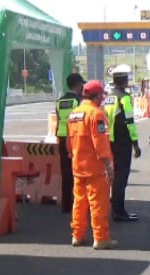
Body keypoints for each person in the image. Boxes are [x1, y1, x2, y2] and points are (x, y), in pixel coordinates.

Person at [67, 80, 117, 250]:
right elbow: (101, 143)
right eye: (101, 95)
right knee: (98, 203)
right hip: (95, 168)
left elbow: (69, 143)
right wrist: (108, 165)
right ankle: (101, 238)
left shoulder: (74, 114)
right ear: (96, 96)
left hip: (77, 166)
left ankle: (77, 235)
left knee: (79, 203)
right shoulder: (96, 114)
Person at [104, 66, 141, 222]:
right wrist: (135, 144)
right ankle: (119, 212)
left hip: (110, 141)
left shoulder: (109, 98)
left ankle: (115, 209)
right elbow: (129, 121)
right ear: (125, 82)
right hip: (122, 142)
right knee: (121, 178)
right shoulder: (125, 98)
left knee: (115, 176)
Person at [56, 73, 85, 213]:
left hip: (62, 138)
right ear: (78, 84)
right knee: (79, 173)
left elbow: (58, 118)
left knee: (66, 173)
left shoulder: (60, 101)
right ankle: (79, 205)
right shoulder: (79, 100)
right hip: (76, 139)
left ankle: (66, 205)